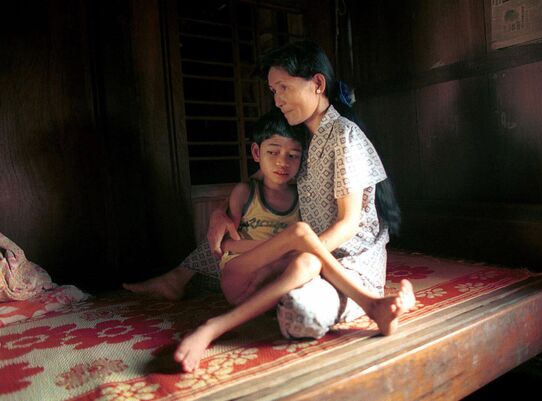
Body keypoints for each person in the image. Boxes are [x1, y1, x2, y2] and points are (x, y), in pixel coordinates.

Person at [125, 39, 412, 348]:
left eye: (284, 88)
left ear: (317, 83)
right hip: (311, 255)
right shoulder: (303, 136)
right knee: (239, 240)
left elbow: (348, 224)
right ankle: (179, 279)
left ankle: (377, 303)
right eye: (274, 91)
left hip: (350, 263)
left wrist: (295, 251)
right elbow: (261, 177)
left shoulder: (343, 135)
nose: (277, 100)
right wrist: (222, 212)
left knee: (302, 314)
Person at [173, 108, 415, 372]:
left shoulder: (301, 193)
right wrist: (281, 244)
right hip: (240, 272)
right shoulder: (246, 192)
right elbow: (226, 245)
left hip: (272, 284)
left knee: (309, 261)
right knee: (300, 234)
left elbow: (300, 247)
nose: (282, 162)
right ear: (257, 153)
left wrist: (287, 247)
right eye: (273, 152)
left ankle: (374, 304)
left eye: (293, 155)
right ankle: (370, 303)